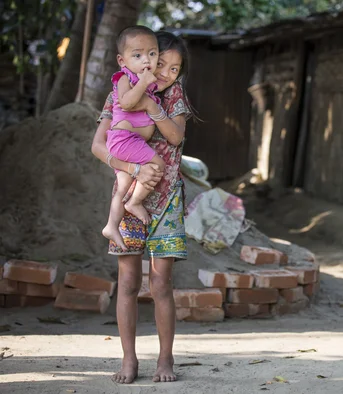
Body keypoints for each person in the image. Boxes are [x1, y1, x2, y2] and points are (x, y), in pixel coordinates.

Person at [91, 31, 196, 384]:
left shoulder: (174, 95)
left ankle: (165, 360)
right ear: (142, 59)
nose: (163, 71)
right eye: (158, 62)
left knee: (161, 284)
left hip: (166, 201)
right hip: (127, 200)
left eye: (173, 68)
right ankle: (129, 360)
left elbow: (176, 137)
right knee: (128, 282)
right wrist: (132, 168)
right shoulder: (121, 91)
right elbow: (98, 146)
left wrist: (152, 106)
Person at [102, 26, 166, 251]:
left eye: (152, 53)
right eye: (137, 55)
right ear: (122, 60)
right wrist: (143, 82)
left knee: (123, 185)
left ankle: (111, 224)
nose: (146, 60)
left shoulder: (149, 84)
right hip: (125, 140)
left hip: (128, 141)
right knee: (158, 164)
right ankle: (135, 202)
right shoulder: (124, 78)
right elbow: (127, 102)